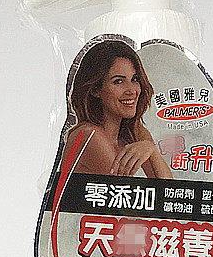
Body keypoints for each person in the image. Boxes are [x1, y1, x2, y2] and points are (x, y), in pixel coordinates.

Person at [61, 40, 172, 178]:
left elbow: (168, 189)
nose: (131, 90)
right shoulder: (88, 135)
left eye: (134, 79)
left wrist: (151, 149)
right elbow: (124, 190)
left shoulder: (135, 133)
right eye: (118, 81)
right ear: (95, 89)